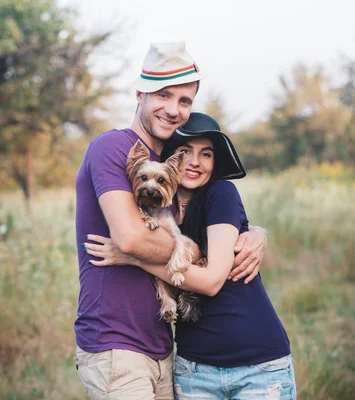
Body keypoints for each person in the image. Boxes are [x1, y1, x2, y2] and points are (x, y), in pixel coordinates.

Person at [74, 42, 267, 399]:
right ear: (140, 94)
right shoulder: (113, 147)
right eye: (163, 95)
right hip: (117, 343)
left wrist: (253, 233)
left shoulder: (173, 168)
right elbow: (131, 238)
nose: (174, 109)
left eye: (185, 101)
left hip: (163, 346)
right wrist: (190, 256)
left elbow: (208, 226)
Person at [84, 112, 296, 399]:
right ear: (173, 159)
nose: (195, 162)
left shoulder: (221, 194)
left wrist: (134, 257)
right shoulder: (156, 211)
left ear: (214, 163)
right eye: (186, 152)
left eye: (206, 154)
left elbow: (210, 282)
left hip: (255, 361)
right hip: (193, 367)